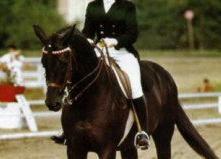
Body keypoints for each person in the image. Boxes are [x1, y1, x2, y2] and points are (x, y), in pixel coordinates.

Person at [51, 0, 150, 150]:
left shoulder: (127, 6)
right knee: (79, 77)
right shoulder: (93, 5)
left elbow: (132, 34)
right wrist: (87, 40)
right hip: (98, 50)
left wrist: (115, 41)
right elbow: (88, 31)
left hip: (122, 52)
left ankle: (142, 132)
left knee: (134, 86)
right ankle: (68, 129)